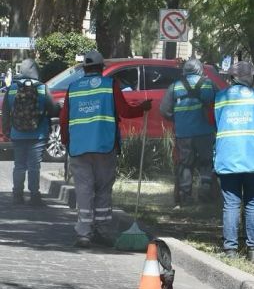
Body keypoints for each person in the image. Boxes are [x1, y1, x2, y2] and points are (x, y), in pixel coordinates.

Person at [59, 50, 150, 247]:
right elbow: (125, 111)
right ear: (101, 68)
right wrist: (142, 108)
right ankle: (101, 229)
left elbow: (64, 119)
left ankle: (84, 233)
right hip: (104, 146)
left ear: (84, 69)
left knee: (84, 190)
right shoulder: (110, 85)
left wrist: (66, 141)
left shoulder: (73, 88)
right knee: (102, 189)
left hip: (79, 148)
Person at [211, 61, 254, 262]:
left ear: (232, 78)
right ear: (250, 78)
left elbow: (216, 122)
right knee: (253, 202)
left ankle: (231, 250)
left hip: (228, 157)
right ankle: (253, 250)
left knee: (231, 204)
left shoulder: (220, 98)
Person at [160, 57, 216, 207]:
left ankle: (185, 195)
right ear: (200, 69)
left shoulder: (175, 87)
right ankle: (205, 189)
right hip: (205, 131)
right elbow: (220, 105)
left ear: (184, 70)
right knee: (206, 161)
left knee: (185, 164)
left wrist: (177, 119)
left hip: (183, 132)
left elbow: (164, 110)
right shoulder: (209, 84)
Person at [3, 58, 59, 205]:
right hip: (38, 134)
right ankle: (34, 196)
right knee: (34, 166)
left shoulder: (12, 88)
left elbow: (6, 112)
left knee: (19, 165)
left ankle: (17, 195)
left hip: (17, 133)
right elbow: (53, 110)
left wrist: (6, 130)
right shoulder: (42, 88)